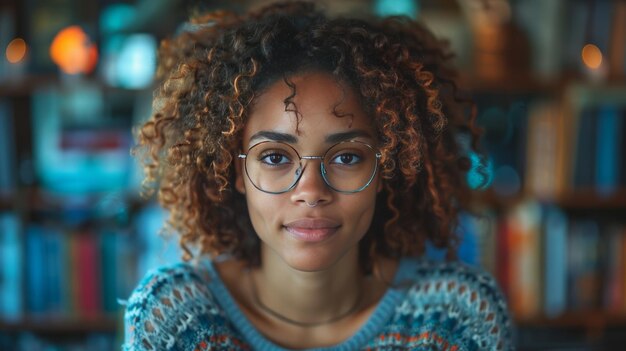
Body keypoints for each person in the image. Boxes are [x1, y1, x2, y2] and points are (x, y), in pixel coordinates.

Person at [123, 1, 513, 350]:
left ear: (384, 168)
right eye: (275, 157)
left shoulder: (455, 318)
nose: (311, 191)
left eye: (346, 157)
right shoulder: (174, 319)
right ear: (237, 171)